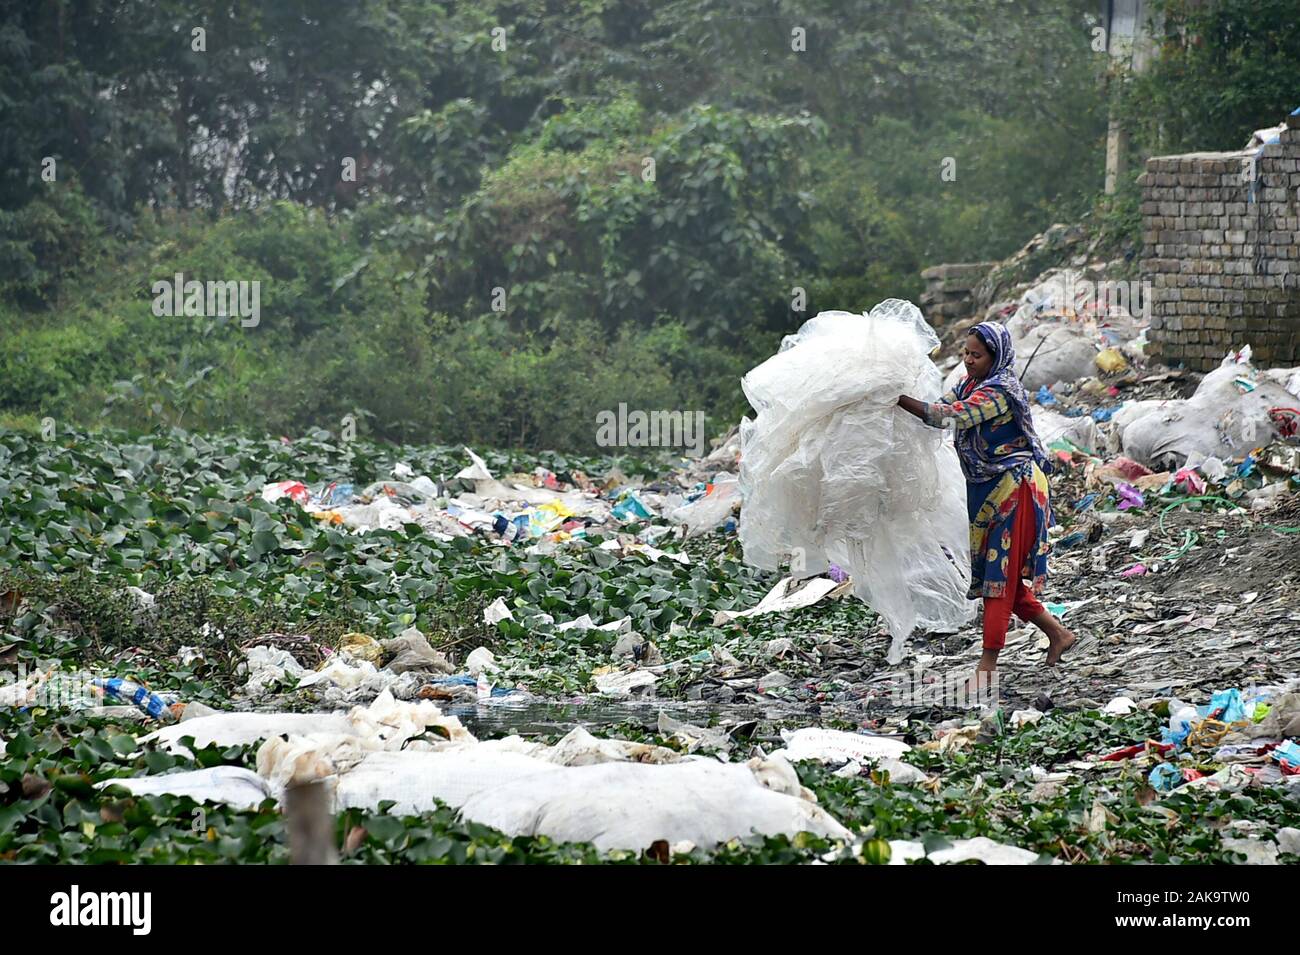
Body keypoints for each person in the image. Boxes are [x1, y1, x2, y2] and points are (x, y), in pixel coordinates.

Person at [896, 321, 1075, 685]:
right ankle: (1058, 634)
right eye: (965, 353)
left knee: (999, 574)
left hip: (1015, 488)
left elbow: (948, 417)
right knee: (1000, 573)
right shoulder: (968, 384)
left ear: (996, 356)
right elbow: (937, 409)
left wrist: (897, 399)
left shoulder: (999, 392)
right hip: (986, 488)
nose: (967, 361)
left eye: (976, 355)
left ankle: (988, 665)